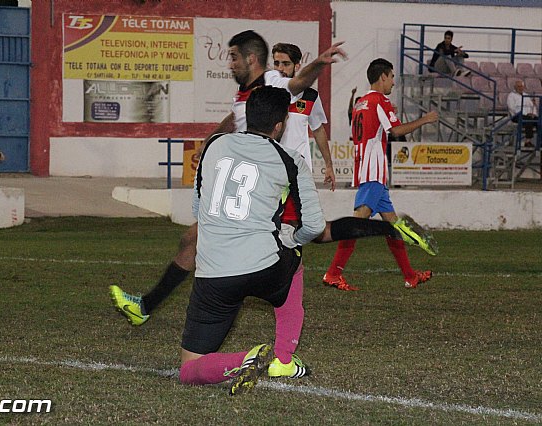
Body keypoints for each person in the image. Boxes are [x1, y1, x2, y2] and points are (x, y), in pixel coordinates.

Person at [111, 30, 348, 380]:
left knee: (202, 240)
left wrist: (317, 64)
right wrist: (212, 137)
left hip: (259, 182)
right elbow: (235, 119)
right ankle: (148, 306)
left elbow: (297, 84)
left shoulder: (270, 82)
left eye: (233, 57)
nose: (230, 63)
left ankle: (150, 306)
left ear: (251, 59)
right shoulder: (245, 95)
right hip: (245, 179)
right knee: (193, 240)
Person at [179, 86, 437, 394]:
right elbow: (316, 227)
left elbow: (198, 210)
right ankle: (283, 358)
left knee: (189, 369)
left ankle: (243, 358)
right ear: (280, 125)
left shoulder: (213, 146)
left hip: (214, 274)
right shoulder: (290, 159)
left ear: (246, 117)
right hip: (266, 267)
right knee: (293, 259)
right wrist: (293, 237)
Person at [323, 58, 439, 292]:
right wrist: (424, 120)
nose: (393, 82)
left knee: (392, 226)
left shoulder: (361, 103)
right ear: (383, 77)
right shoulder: (379, 101)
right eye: (392, 77)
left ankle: (410, 276)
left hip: (367, 169)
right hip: (373, 171)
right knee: (356, 225)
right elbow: (395, 131)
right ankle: (333, 274)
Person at [271, 42, 336, 190]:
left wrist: (329, 165)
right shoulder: (266, 93)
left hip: (299, 168)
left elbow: (318, 130)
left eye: (286, 64)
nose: (280, 69)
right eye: (276, 63)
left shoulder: (310, 96)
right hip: (271, 166)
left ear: (297, 66)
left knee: (299, 212)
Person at [507, 80, 538, 148]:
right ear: (515, 87)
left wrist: (534, 114)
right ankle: (528, 141)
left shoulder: (526, 96)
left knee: (539, 120)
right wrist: (525, 114)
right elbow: (511, 108)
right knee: (528, 119)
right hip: (517, 116)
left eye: (521, 86)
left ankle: (540, 142)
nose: (520, 88)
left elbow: (533, 106)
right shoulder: (511, 96)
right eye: (518, 86)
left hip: (529, 115)